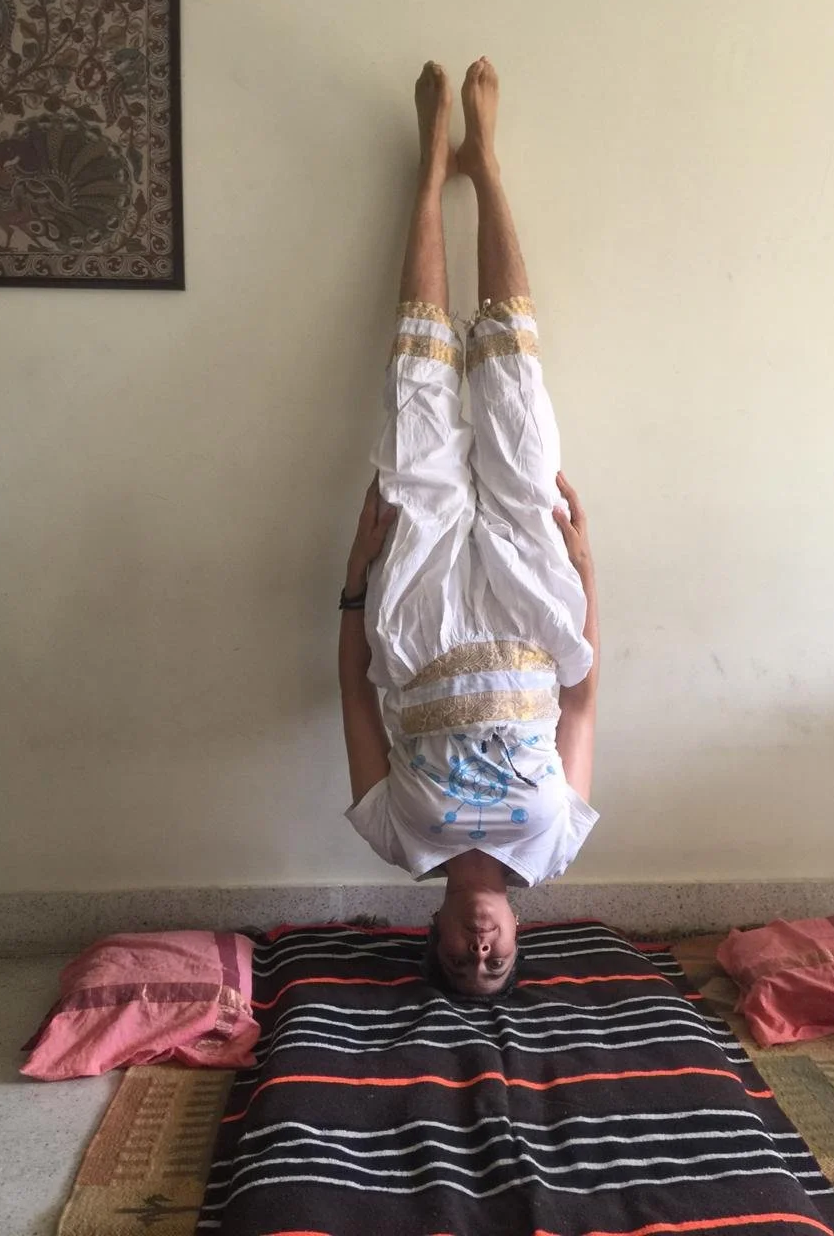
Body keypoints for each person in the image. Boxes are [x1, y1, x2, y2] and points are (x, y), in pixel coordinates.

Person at [338, 59, 600, 997]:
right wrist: (587, 573)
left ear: (437, 939)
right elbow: (581, 702)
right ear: (518, 942)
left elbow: (355, 696)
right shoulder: (555, 843)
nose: (480, 952)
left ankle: (425, 166)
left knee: (417, 378)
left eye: (461, 963)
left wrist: (357, 573)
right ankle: (484, 164)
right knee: (514, 388)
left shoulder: (396, 841)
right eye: (498, 965)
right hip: (534, 618)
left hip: (418, 617)